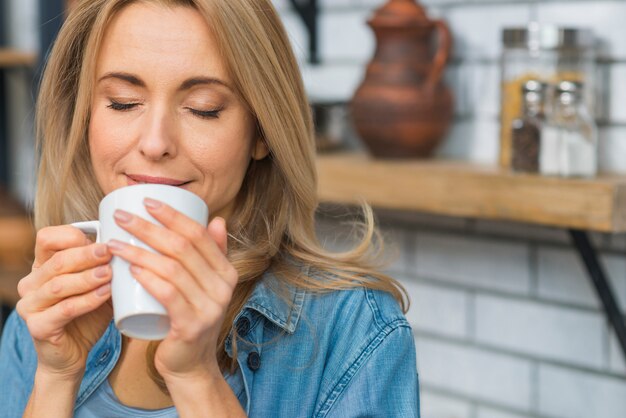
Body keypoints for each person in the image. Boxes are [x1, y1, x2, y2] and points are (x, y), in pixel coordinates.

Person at [0, 0, 420, 416]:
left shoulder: (354, 330)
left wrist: (196, 378)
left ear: (262, 133)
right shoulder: (38, 321)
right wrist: (56, 377)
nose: (155, 142)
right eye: (123, 102)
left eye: (204, 108)